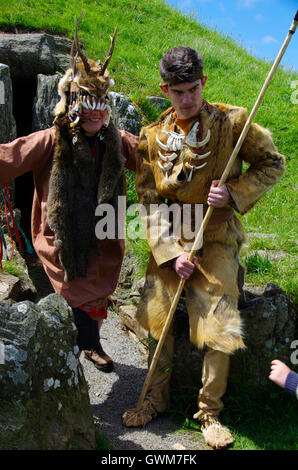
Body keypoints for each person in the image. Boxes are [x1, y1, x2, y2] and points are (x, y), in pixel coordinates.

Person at [122, 46, 285, 449]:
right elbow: (148, 200)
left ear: (204, 83)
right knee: (155, 313)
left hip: (215, 235)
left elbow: (273, 164)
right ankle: (152, 399)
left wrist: (233, 193)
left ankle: (209, 413)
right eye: (178, 92)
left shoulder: (234, 123)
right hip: (171, 239)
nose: (187, 99)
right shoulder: (151, 138)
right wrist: (170, 253)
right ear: (166, 89)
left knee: (219, 319)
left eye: (193, 89)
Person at [0, 21, 138, 373]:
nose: (93, 110)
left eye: (100, 102)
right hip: (64, 236)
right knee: (77, 293)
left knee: (96, 293)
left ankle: (90, 344)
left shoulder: (116, 140)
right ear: (71, 100)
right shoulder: (51, 139)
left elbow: (154, 157)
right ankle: (75, 353)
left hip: (106, 233)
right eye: (84, 100)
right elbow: (11, 156)